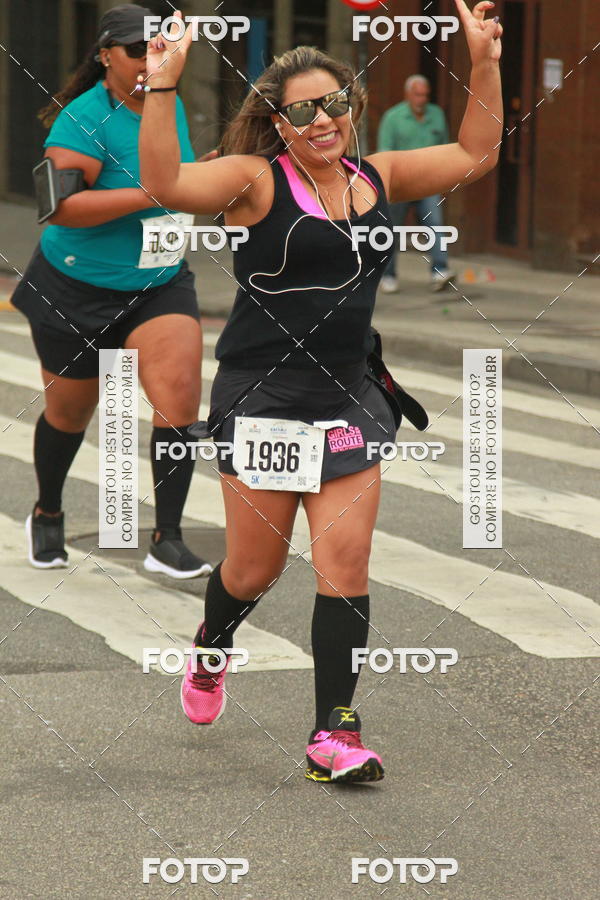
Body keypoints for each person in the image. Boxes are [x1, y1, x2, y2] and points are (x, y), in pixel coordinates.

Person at [139, 0, 502, 782]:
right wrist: (162, 86)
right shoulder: (254, 182)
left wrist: (483, 61)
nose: (322, 119)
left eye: (333, 102)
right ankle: (212, 646)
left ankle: (333, 733)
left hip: (348, 397)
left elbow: (477, 151)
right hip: (263, 398)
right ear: (278, 121)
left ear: (353, 106)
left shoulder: (381, 176)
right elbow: (166, 182)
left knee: (346, 563)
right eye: (302, 109)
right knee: (253, 572)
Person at [12, 4, 212, 579]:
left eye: (159, 48)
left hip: (158, 283)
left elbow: (181, 175)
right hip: (75, 289)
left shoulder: (165, 104)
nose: (151, 60)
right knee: (70, 413)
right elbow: (61, 208)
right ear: (105, 54)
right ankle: (48, 511)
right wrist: (157, 192)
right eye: (136, 50)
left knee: (178, 399)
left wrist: (209, 175)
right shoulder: (82, 119)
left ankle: (166, 537)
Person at [377, 74, 457, 293]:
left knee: (435, 225)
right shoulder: (393, 117)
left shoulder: (437, 115)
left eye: (425, 95)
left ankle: (439, 271)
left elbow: (446, 150)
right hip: (400, 185)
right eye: (417, 94)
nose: (421, 99)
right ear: (408, 95)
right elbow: (385, 151)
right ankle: (388, 276)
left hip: (428, 183)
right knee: (391, 230)